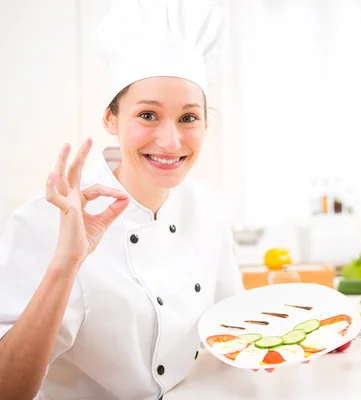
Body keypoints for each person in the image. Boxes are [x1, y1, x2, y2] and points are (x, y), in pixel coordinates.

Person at [0, 1, 246, 398]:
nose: (170, 141)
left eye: (188, 118)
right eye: (148, 115)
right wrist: (66, 263)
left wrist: (287, 342)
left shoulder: (209, 208)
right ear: (111, 119)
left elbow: (233, 328)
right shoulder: (45, 220)